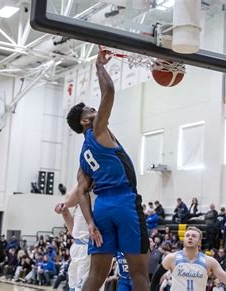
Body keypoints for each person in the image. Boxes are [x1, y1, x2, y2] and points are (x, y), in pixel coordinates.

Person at [66, 49, 149, 291]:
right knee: (140, 275)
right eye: (91, 110)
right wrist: (99, 66)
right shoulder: (97, 130)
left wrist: (90, 223)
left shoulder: (84, 155)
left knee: (96, 276)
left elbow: (81, 191)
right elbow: (109, 91)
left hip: (101, 208)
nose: (96, 110)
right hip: (124, 202)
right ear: (85, 122)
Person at [149, 226, 226, 291]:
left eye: (194, 236)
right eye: (187, 235)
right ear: (184, 239)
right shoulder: (171, 258)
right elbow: (155, 278)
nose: (190, 237)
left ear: (200, 242)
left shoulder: (209, 261)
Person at [55, 186, 91, 291]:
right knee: (72, 287)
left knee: (81, 288)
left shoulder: (89, 193)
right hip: (77, 246)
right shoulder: (80, 203)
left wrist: (66, 203)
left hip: (87, 248)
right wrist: (65, 212)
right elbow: (74, 232)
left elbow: (69, 199)